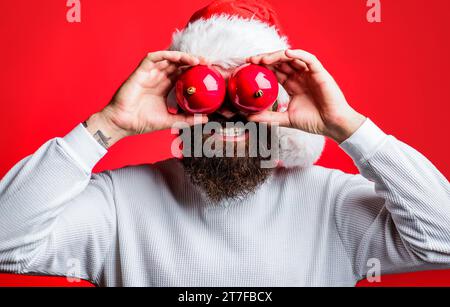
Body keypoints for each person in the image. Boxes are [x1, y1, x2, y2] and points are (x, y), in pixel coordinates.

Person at [0, 0, 449, 287]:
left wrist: (348, 126)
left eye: (247, 95)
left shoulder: (330, 203)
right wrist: (108, 124)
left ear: (278, 101)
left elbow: (443, 241)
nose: (229, 112)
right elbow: (6, 245)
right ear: (181, 98)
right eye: (213, 89)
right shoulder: (118, 205)